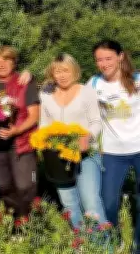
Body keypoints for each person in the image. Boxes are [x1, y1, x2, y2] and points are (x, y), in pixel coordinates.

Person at [39, 54, 106, 229]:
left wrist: (88, 136)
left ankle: (104, 249)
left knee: (91, 201)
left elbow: (96, 121)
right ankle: (81, 245)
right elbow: (43, 124)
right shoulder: (46, 94)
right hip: (58, 157)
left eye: (65, 70)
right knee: (69, 204)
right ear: (52, 74)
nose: (61, 75)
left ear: (74, 70)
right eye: (57, 71)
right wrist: (44, 141)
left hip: (86, 154)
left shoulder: (87, 92)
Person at [88, 40, 140, 254]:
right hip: (111, 152)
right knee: (108, 202)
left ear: (120, 57)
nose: (103, 63)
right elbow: (75, 100)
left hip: (138, 148)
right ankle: (113, 239)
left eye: (108, 58)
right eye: (99, 59)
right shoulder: (94, 83)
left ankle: (137, 249)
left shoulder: (137, 80)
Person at [0, 46, 40, 219]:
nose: (1, 64)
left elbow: (34, 116)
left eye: (6, 60)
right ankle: (14, 222)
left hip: (22, 143)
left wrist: (16, 130)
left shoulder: (25, 84)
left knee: (25, 185)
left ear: (14, 62)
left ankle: (29, 222)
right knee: (4, 185)